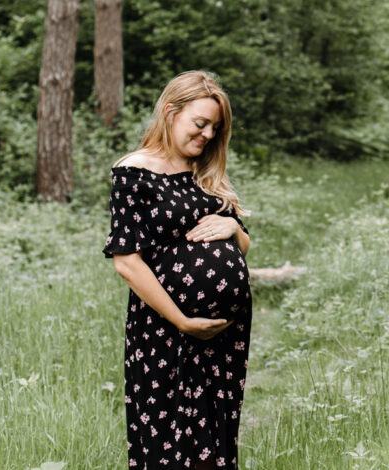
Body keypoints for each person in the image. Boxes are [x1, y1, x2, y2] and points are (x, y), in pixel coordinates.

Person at [102, 70, 252, 470]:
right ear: (171, 112)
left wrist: (234, 228)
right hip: (165, 327)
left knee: (216, 430)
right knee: (167, 434)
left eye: (214, 129)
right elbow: (127, 261)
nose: (206, 135)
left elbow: (245, 245)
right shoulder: (133, 173)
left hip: (225, 334)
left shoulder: (206, 172)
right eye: (200, 124)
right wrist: (183, 321)